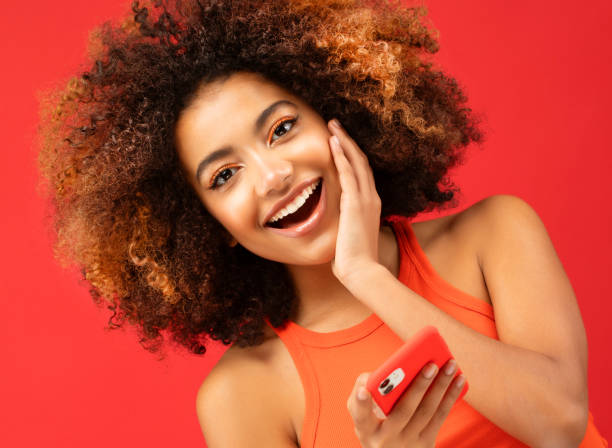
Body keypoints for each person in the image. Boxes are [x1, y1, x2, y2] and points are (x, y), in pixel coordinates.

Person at [37, 0, 608, 446]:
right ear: (208, 225)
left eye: (282, 129)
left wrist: (367, 276)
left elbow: (558, 426)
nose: (272, 176)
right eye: (224, 176)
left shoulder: (495, 234)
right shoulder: (243, 394)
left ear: (342, 112)